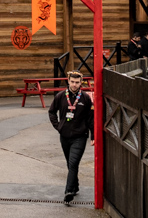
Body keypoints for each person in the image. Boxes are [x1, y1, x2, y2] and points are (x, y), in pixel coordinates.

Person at [49, 70, 94, 202]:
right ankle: (75, 186)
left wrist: (93, 136)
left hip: (80, 136)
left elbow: (91, 118)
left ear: (81, 83)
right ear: (68, 81)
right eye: (72, 82)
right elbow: (52, 112)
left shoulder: (85, 98)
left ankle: (69, 191)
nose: (74, 85)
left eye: (77, 82)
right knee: (70, 163)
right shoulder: (60, 96)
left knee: (73, 162)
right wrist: (58, 126)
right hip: (64, 136)